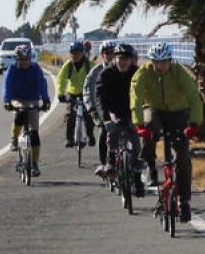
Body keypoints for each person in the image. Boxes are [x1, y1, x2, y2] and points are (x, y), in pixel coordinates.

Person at [130, 42, 204, 221]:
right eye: (156, 62)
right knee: (148, 128)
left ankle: (185, 201)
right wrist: (138, 123)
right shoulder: (143, 73)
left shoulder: (179, 73)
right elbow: (136, 97)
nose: (160, 66)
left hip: (178, 113)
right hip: (154, 109)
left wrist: (194, 123)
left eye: (163, 62)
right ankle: (150, 166)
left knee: (183, 158)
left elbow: (194, 96)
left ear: (170, 61)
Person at [2, 42, 52, 178]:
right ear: (17, 59)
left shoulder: (35, 68)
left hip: (32, 99)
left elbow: (42, 83)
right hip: (17, 98)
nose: (25, 62)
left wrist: (46, 99)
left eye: (27, 59)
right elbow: (7, 85)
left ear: (30, 58)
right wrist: (7, 100)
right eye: (22, 60)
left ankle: (35, 164)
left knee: (35, 133)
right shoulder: (12, 69)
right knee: (20, 112)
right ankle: (14, 139)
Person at [96, 43, 142, 192]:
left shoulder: (137, 73)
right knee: (112, 136)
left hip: (130, 111)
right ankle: (110, 164)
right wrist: (106, 119)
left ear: (131, 60)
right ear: (115, 59)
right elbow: (100, 98)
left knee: (135, 144)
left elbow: (144, 94)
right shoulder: (106, 74)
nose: (123, 62)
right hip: (113, 111)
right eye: (120, 58)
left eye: (127, 59)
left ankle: (136, 177)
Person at [82, 41, 117, 173]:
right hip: (100, 110)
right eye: (107, 53)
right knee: (103, 132)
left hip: (118, 109)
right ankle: (104, 163)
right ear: (102, 55)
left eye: (113, 52)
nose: (110, 55)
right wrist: (91, 108)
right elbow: (86, 91)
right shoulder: (94, 73)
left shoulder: (122, 68)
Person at [54, 41, 93, 148]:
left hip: (86, 94)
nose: (75, 55)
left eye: (78, 53)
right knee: (70, 116)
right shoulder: (68, 65)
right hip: (72, 94)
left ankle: (90, 135)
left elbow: (97, 76)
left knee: (89, 115)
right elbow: (61, 79)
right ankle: (69, 139)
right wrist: (61, 94)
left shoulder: (89, 64)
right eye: (73, 53)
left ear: (83, 53)